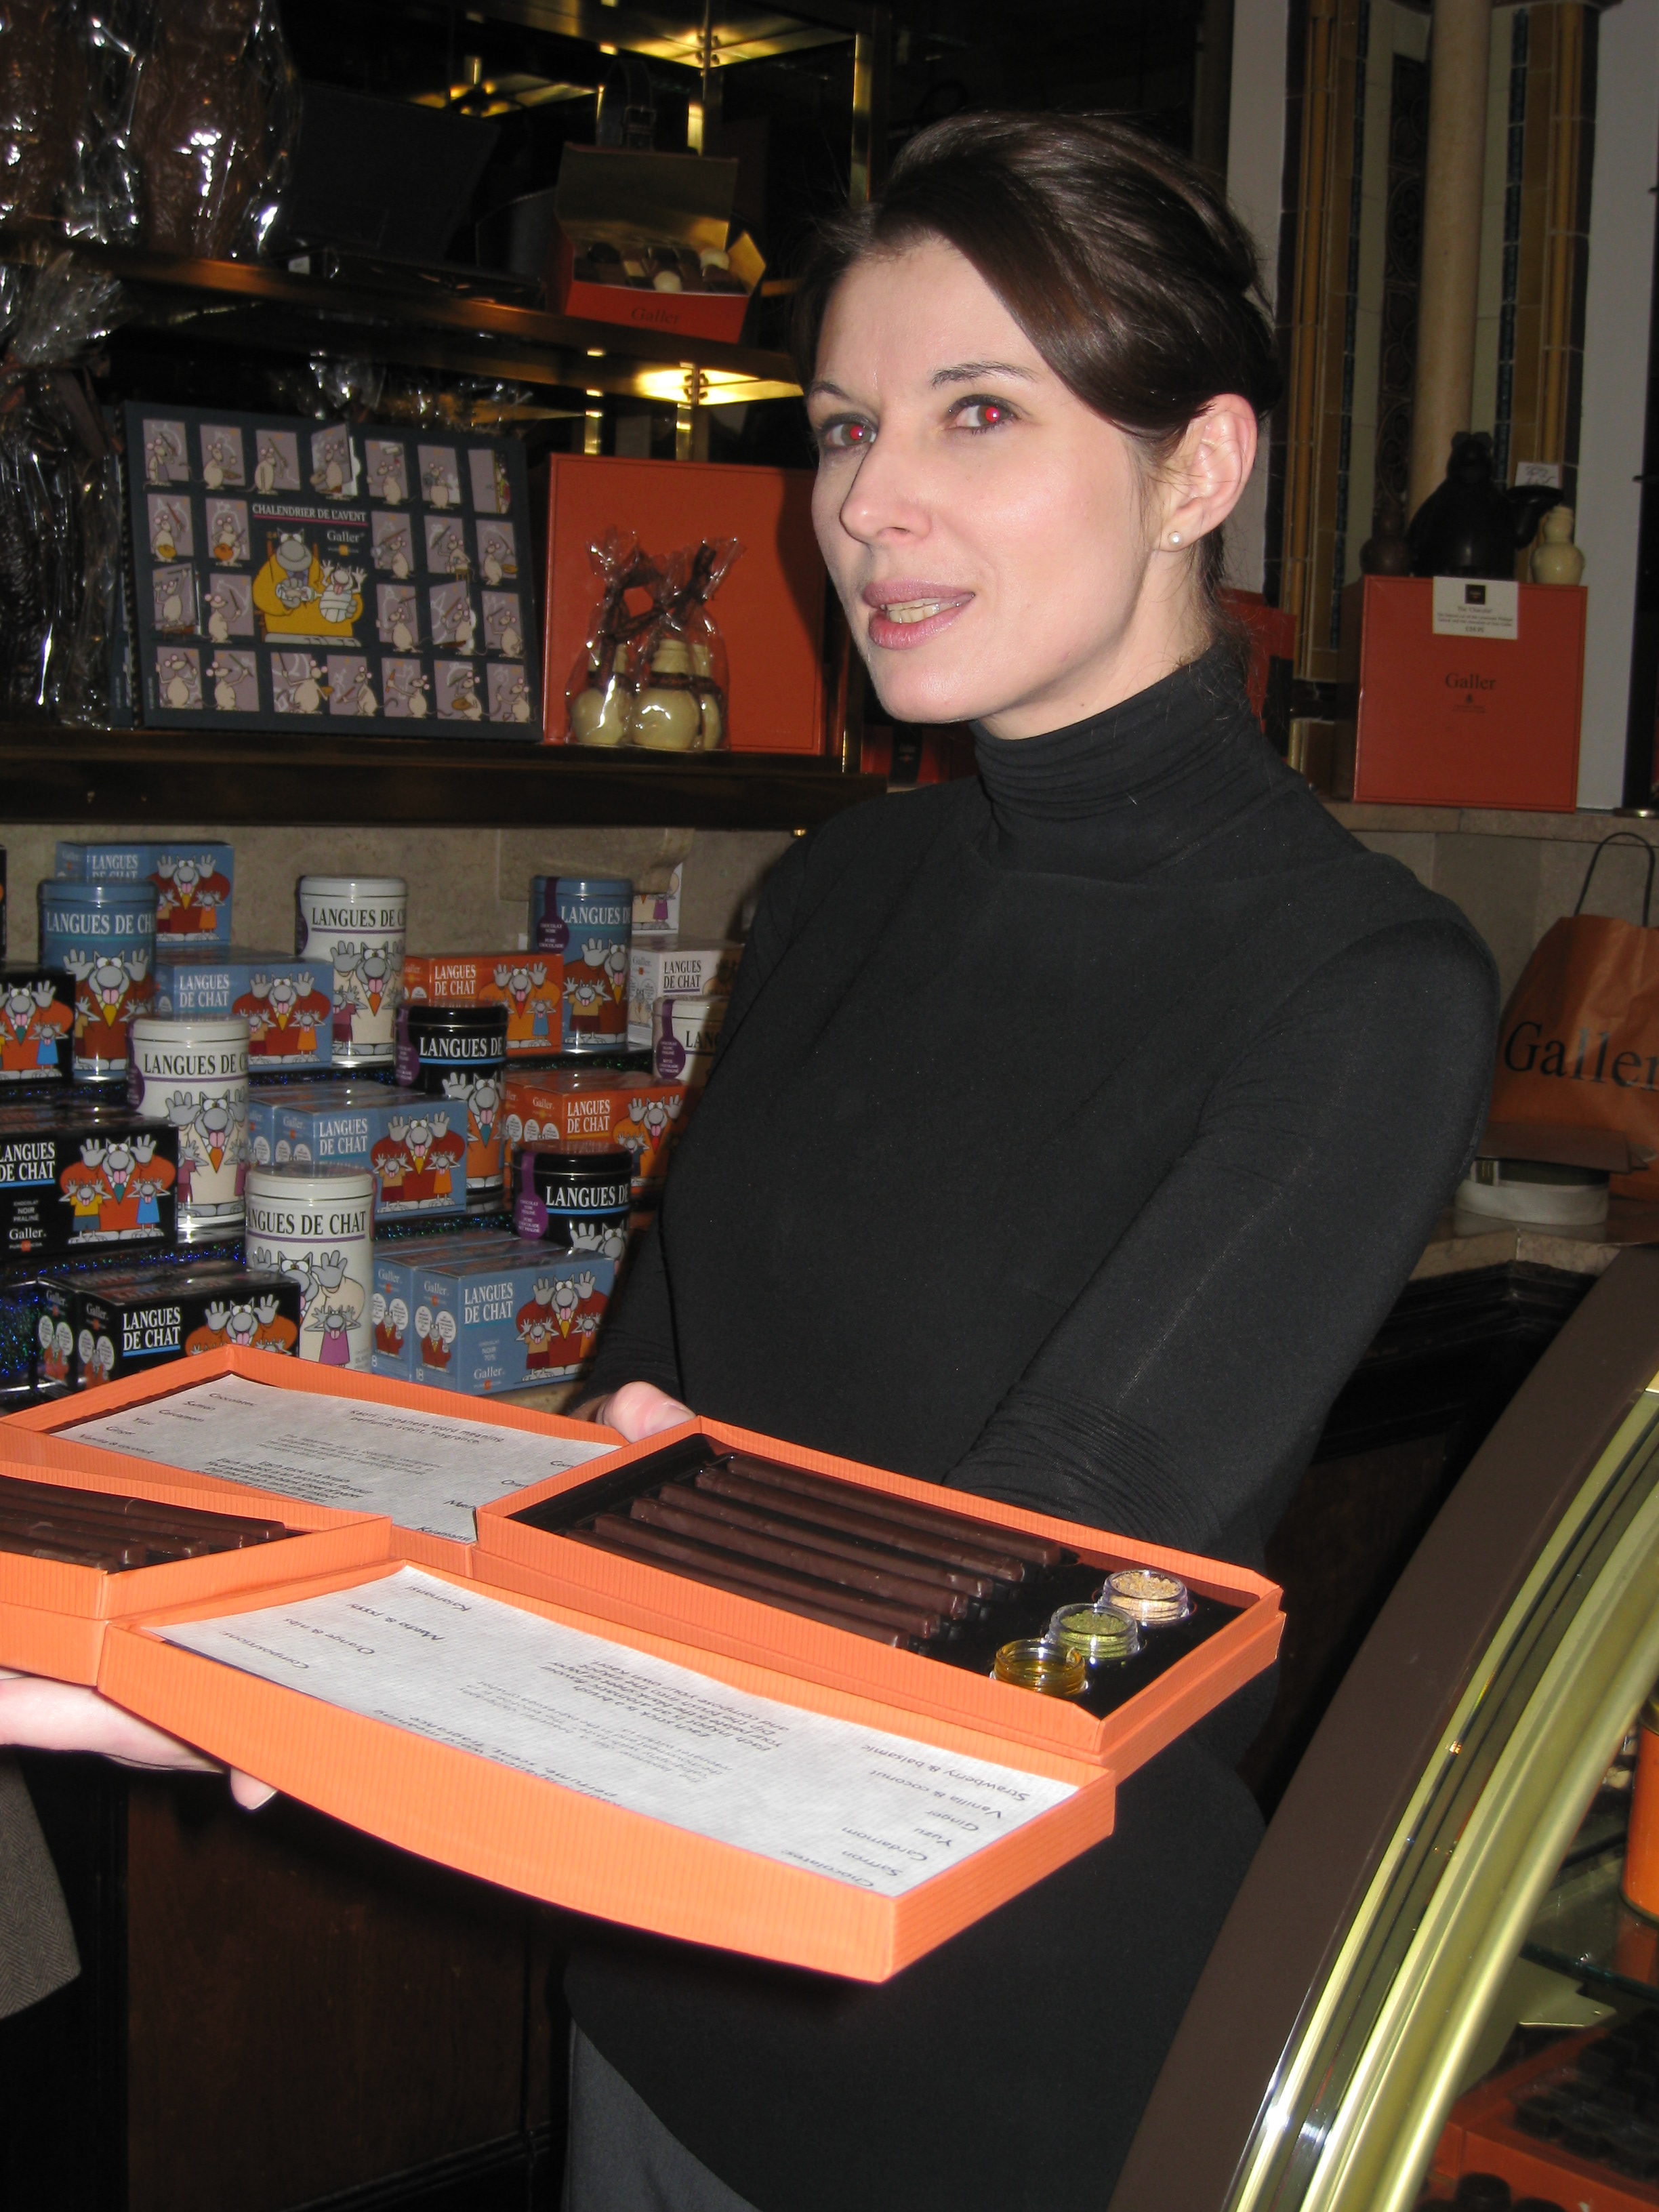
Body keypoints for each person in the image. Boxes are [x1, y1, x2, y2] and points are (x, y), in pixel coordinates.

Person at [563, 112, 1498, 2211]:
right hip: (653, 1982)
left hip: (991, 2070)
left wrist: (488, 1643)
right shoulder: (839, 889)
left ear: (1200, 467)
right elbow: (625, 1415)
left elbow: (1053, 1593)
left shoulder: (1364, 983)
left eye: (977, 414)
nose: (864, 503)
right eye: (842, 428)